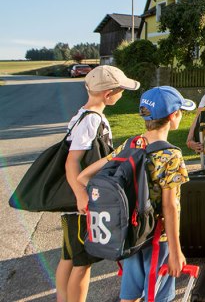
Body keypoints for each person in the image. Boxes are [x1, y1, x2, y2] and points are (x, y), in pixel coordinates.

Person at [77, 86, 195, 302]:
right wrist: (176, 252)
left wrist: (90, 199)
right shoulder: (171, 155)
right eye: (181, 112)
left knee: (129, 296)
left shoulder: (131, 143)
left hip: (130, 236)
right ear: (173, 116)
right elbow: (170, 207)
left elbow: (83, 176)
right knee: (159, 296)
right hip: (157, 238)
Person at [57, 65, 139, 302]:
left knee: (69, 256)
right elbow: (72, 162)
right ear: (108, 94)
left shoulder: (81, 114)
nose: (123, 93)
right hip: (83, 203)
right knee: (83, 263)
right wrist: (82, 194)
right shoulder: (92, 120)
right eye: (121, 90)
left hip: (74, 202)